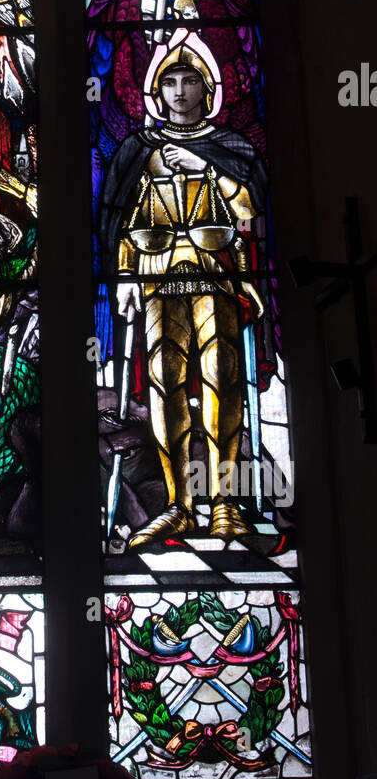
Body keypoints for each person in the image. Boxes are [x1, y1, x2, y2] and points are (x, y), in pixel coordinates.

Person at [100, 33, 266, 545]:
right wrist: (124, 275)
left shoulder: (228, 147)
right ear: (156, 91)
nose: (178, 91)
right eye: (168, 82)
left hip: (215, 277)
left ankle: (225, 504)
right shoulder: (138, 148)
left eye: (189, 80)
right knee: (164, 386)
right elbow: (118, 219)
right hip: (156, 279)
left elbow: (251, 214)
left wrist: (208, 170)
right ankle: (179, 504)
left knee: (222, 385)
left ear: (207, 89)